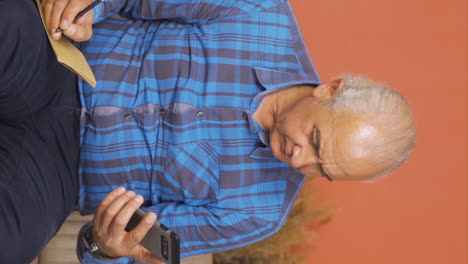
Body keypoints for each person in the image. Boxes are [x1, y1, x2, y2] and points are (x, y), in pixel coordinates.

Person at [42, 0, 416, 263]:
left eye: (323, 170)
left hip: (55, 176)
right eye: (316, 139)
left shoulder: (259, 213)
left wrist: (106, 248)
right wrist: (90, 5)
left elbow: (124, 248)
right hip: (61, 58)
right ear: (331, 89)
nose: (302, 159)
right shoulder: (261, 13)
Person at [0, 0, 81, 263]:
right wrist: (91, 6)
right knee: (5, 23)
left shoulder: (216, 218)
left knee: (7, 243)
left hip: (63, 168)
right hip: (65, 62)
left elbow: (142, 244)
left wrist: (103, 245)